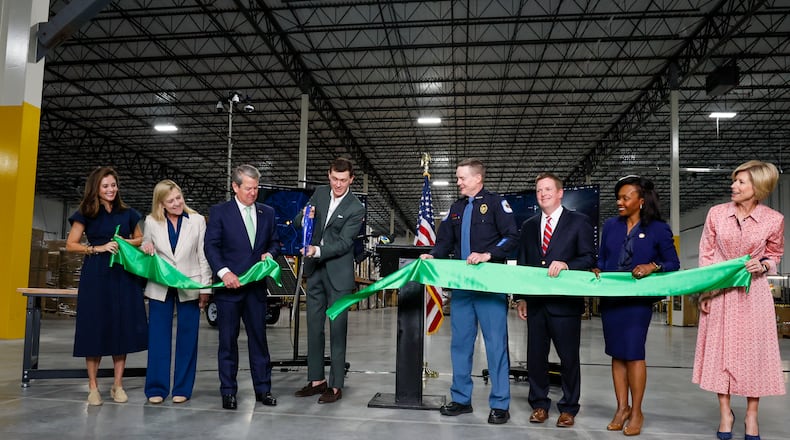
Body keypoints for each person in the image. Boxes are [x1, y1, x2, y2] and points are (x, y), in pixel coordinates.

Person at [420, 158, 518, 425]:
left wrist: (489, 254)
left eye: (462, 178)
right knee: (460, 345)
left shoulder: (496, 203)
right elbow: (445, 242)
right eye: (457, 178)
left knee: (496, 345)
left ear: (477, 178)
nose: (458, 182)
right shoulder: (456, 208)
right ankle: (461, 399)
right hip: (462, 287)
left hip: (489, 285)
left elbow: (512, 236)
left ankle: (500, 404)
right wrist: (433, 255)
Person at [692, 161, 785, 440]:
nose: (734, 186)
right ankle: (725, 413)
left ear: (758, 187)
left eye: (741, 182)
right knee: (720, 352)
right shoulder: (717, 213)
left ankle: (752, 415)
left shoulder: (774, 219)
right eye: (735, 180)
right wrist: (706, 291)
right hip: (721, 292)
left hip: (753, 294)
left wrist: (764, 265)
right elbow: (706, 255)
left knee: (754, 354)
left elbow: (775, 254)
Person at [594, 175, 679, 436]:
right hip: (611, 299)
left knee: (633, 353)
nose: (619, 202)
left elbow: (673, 263)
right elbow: (602, 258)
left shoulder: (659, 229)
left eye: (625, 197)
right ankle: (622, 408)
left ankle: (637, 411)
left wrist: (653, 266)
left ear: (641, 201)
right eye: (618, 198)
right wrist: (596, 268)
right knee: (616, 354)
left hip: (637, 302)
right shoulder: (611, 226)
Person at [514, 172, 595, 428]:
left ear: (560, 193)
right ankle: (539, 405)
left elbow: (589, 258)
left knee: (568, 358)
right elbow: (523, 263)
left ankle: (569, 408)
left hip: (565, 304)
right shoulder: (529, 226)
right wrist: (521, 298)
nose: (543, 194)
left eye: (548, 189)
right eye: (539, 190)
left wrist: (568, 265)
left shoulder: (579, 222)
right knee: (535, 358)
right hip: (536, 303)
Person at [65, 166, 148, 406]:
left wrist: (124, 242)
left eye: (113, 185)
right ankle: (93, 387)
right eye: (105, 186)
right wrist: (97, 248)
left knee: (120, 327)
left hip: (123, 273)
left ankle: (117, 385)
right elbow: (71, 244)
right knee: (95, 328)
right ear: (96, 188)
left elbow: (140, 238)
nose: (111, 189)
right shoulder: (85, 213)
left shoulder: (128, 213)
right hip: (96, 275)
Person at [204, 164, 280, 410]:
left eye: (256, 188)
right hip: (229, 289)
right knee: (228, 342)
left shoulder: (267, 212)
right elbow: (211, 246)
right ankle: (228, 391)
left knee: (259, 340)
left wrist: (270, 253)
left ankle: (263, 389)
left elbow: (275, 242)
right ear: (235, 187)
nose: (253, 193)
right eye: (248, 188)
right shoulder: (219, 212)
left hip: (256, 289)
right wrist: (224, 272)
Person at [294, 157, 365, 404]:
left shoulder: (356, 207)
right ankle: (316, 380)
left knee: (337, 330)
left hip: (338, 276)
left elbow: (345, 243)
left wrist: (317, 250)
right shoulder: (320, 194)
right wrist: (306, 216)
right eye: (334, 179)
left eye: (343, 180)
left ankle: (335, 385)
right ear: (329, 175)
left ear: (351, 179)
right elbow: (298, 221)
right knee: (314, 327)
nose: (338, 184)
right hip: (315, 272)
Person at [140, 180, 212, 404]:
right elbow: (145, 244)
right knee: (157, 339)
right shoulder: (151, 221)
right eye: (170, 201)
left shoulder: (197, 220)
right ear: (160, 203)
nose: (176, 203)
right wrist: (145, 246)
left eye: (178, 198)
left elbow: (203, 255)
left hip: (189, 284)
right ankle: (156, 388)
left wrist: (205, 288)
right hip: (160, 286)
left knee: (188, 339)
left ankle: (182, 388)